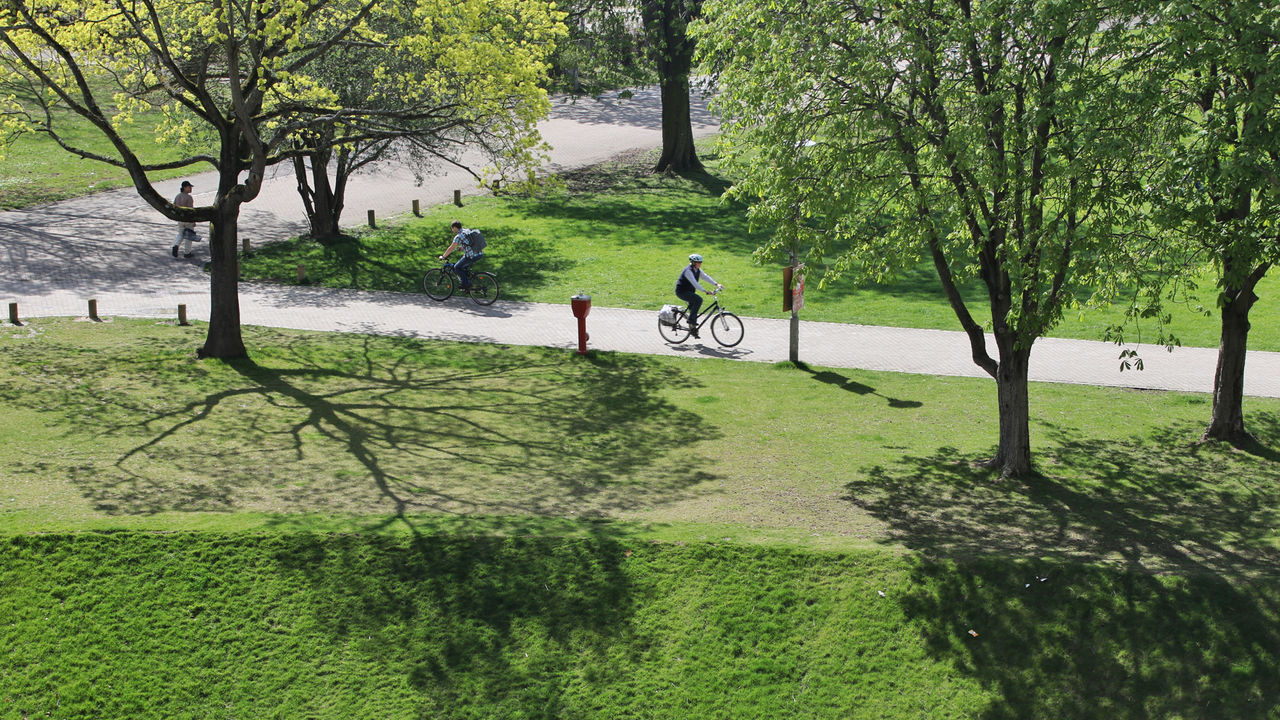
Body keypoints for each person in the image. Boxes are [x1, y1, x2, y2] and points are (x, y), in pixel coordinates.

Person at [674, 253, 723, 338]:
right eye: (698, 262)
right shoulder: (688, 271)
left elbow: (705, 277)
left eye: (700, 262)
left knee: (694, 308)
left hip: (689, 292)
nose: (700, 264)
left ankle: (692, 329)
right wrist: (705, 291)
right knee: (698, 300)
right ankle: (691, 322)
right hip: (681, 292)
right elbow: (695, 283)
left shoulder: (697, 270)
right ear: (693, 263)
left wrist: (716, 284)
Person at [439, 220, 484, 289]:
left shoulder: (458, 236)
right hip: (479, 253)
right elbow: (470, 242)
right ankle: (467, 281)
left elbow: (451, 248)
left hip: (471, 255)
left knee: (456, 267)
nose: (452, 230)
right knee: (462, 267)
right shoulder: (467, 231)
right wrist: (462, 248)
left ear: (454, 228)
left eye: (452, 228)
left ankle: (466, 284)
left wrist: (443, 256)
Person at [170, 180, 198, 259]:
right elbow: (190, 210)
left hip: (180, 219)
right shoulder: (188, 197)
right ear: (185, 188)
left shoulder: (178, 196)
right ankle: (187, 252)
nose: (191, 189)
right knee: (189, 235)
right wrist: (193, 221)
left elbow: (174, 206)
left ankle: (176, 245)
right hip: (187, 219)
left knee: (181, 233)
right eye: (189, 187)